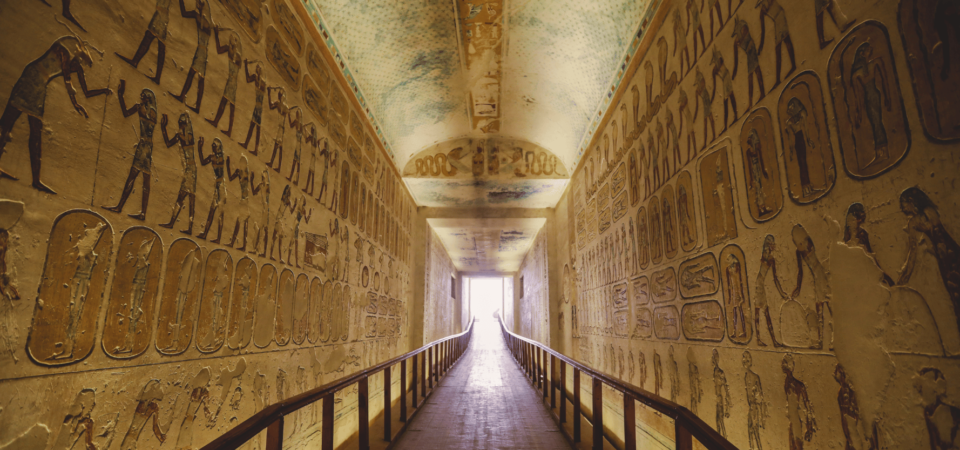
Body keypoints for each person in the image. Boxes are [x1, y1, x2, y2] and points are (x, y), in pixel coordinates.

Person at [0, 35, 110, 193]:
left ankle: (36, 180)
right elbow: (67, 79)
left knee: (36, 132)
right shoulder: (63, 50)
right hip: (31, 77)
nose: (81, 65)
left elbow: (85, 91)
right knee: (6, 123)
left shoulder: (75, 65)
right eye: (82, 59)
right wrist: (72, 91)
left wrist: (97, 94)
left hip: (41, 87)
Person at [897, 187, 960, 334]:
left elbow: (939, 235)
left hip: (949, 253)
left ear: (911, 202)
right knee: (954, 295)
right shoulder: (915, 221)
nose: (902, 209)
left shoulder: (926, 214)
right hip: (944, 256)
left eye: (904, 204)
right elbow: (912, 253)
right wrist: (904, 277)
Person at [102, 82, 157, 220]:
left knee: (132, 177)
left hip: (143, 146)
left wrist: (120, 95)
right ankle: (143, 213)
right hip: (149, 148)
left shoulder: (141, 109)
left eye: (143, 96)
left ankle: (120, 206)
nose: (140, 97)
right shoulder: (154, 112)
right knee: (145, 180)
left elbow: (126, 113)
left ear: (147, 99)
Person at [169, 0, 213, 113]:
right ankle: (192, 103)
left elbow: (204, 27)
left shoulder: (206, 21)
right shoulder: (198, 16)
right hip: (201, 50)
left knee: (194, 75)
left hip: (202, 52)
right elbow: (184, 13)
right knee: (198, 77)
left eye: (199, 3)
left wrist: (200, 13)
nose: (197, 4)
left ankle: (185, 98)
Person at [158, 113, 199, 234]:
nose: (180, 125)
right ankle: (184, 226)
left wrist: (178, 133)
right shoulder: (181, 136)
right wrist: (163, 128)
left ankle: (177, 224)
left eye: (182, 123)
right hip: (189, 169)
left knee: (186, 197)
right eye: (179, 123)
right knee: (189, 197)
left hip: (191, 170)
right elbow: (168, 143)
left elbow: (186, 140)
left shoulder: (188, 137)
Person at [115, 0, 172, 84]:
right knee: (154, 40)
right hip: (161, 13)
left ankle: (137, 62)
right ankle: (156, 76)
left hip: (161, 14)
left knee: (152, 38)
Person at [205, 28, 242, 136]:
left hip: (233, 81)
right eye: (231, 38)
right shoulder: (229, 49)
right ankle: (217, 122)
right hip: (230, 79)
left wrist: (232, 50)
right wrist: (216, 35)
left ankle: (228, 128)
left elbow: (236, 63)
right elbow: (219, 49)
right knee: (226, 102)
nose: (232, 40)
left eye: (234, 39)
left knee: (230, 104)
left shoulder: (237, 55)